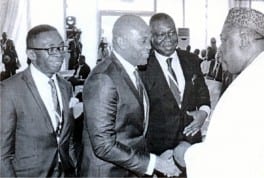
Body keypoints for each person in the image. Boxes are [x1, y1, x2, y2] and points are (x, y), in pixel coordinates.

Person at [185, 8, 264, 178]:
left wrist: (186, 154)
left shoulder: (254, 85)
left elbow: (226, 165)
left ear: (245, 39)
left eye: (224, 40)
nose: (219, 50)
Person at [80, 15, 181, 177]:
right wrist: (153, 163)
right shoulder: (103, 78)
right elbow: (103, 145)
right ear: (121, 42)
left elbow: (132, 132)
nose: (150, 46)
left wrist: (151, 159)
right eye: (143, 41)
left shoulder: (134, 71)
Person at [139, 13, 210, 177]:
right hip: (158, 152)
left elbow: (203, 93)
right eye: (161, 35)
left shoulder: (192, 60)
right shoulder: (143, 66)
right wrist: (154, 158)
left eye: (171, 32)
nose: (169, 39)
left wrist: (203, 113)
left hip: (190, 146)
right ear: (151, 37)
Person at [0, 24, 77, 177]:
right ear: (31, 54)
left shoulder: (66, 87)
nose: (59, 54)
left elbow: (68, 139)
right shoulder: (9, 90)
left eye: (61, 48)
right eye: (51, 49)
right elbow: (2, 154)